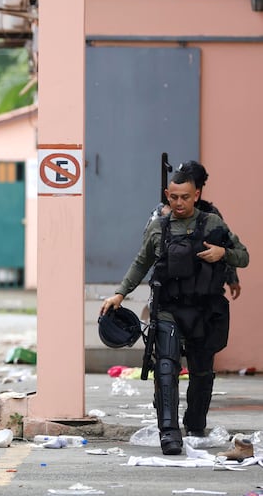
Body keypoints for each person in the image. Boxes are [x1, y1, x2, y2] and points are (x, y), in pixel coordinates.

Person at [100, 169, 248, 456]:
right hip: (169, 308)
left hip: (204, 310)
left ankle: (195, 425)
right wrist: (120, 293)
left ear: (197, 195)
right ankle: (169, 433)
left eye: (185, 197)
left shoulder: (213, 223)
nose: (179, 203)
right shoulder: (159, 227)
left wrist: (224, 254)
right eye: (174, 197)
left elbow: (244, 256)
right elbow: (141, 262)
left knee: (202, 373)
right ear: (167, 195)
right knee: (166, 368)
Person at [145, 160, 241, 300]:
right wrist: (167, 218)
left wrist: (232, 279)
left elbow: (226, 246)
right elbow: (148, 243)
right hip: (170, 290)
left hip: (204, 291)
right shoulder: (162, 211)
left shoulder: (210, 214)